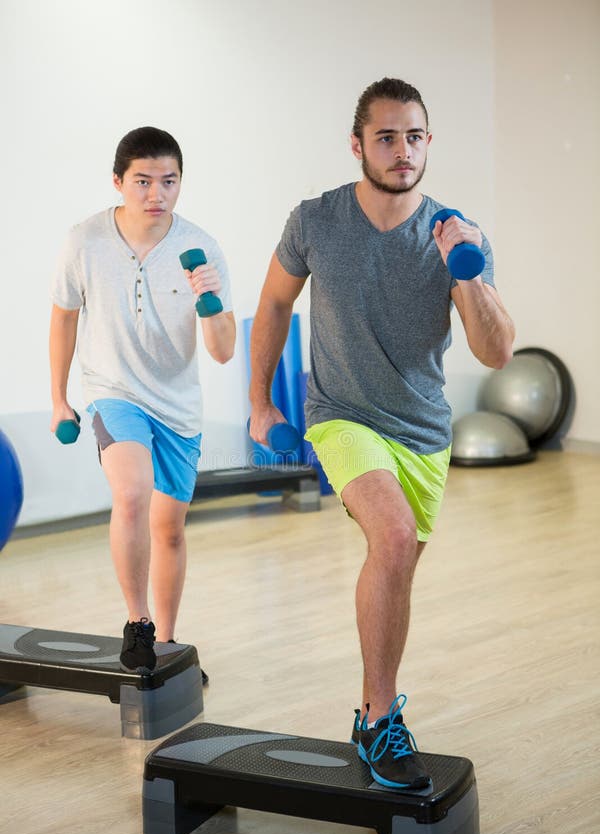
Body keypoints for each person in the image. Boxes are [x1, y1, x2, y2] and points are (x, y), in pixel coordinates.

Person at [248, 77, 514, 789]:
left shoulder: (457, 233)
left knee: (397, 571)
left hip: (424, 430)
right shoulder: (317, 220)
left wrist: (473, 271)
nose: (403, 151)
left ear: (429, 142)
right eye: (388, 136)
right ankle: (376, 717)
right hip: (342, 413)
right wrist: (259, 405)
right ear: (358, 143)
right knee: (391, 538)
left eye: (415, 136)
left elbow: (495, 353)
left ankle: (376, 707)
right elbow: (274, 303)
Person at [49, 126, 235, 677]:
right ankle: (138, 624)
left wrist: (211, 299)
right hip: (113, 392)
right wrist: (59, 399)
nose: (157, 193)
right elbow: (64, 317)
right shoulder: (85, 241)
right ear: (118, 182)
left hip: (177, 406)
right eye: (143, 181)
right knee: (131, 494)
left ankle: (170, 644)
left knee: (169, 528)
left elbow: (222, 352)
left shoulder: (200, 248)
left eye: (169, 181)